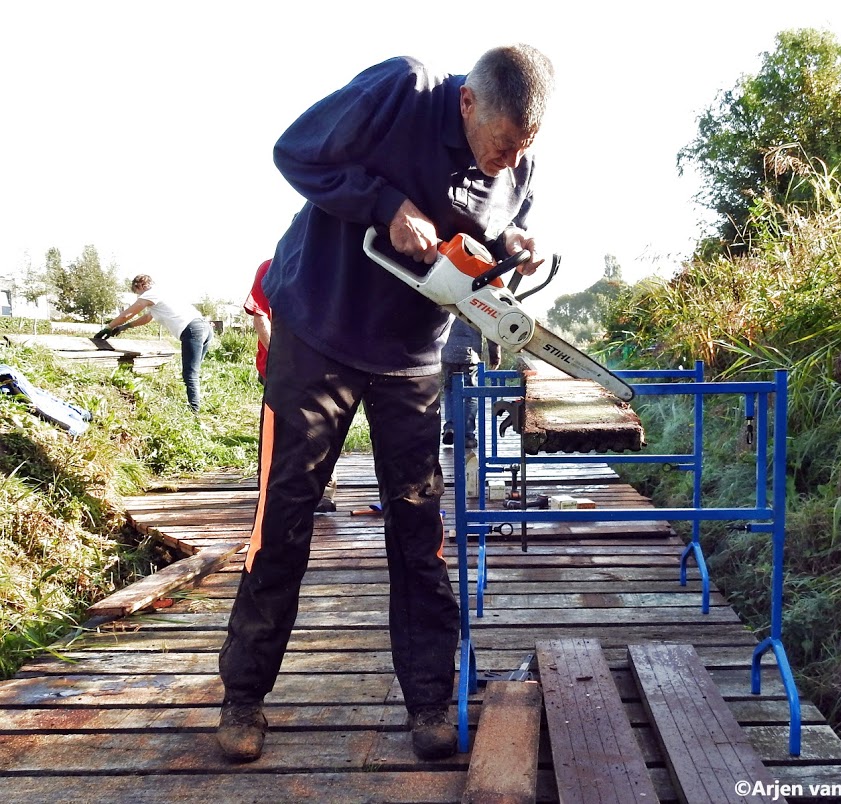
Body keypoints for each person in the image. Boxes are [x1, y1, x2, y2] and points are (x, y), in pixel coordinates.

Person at [215, 44, 554, 764]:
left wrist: (517, 246)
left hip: (411, 353)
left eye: (520, 150)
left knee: (418, 525)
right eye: (499, 146)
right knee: (284, 517)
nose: (508, 162)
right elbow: (294, 152)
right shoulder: (403, 90)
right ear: (467, 102)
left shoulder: (518, 164)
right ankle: (243, 695)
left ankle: (429, 701)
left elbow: (489, 250)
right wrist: (385, 205)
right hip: (319, 330)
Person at [245, 259, 338, 513]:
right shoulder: (271, 266)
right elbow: (260, 316)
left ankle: (322, 491)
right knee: (278, 432)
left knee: (322, 430)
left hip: (322, 368)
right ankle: (270, 488)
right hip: (279, 369)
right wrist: (283, 358)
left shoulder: (331, 266)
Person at [98, 275, 213, 412]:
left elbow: (127, 314)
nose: (138, 296)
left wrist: (109, 327)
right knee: (194, 371)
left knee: (190, 373)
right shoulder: (163, 294)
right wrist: (124, 327)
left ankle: (194, 412)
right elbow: (147, 317)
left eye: (137, 292)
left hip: (192, 330)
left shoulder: (150, 294)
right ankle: (197, 405)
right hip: (205, 328)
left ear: (141, 286)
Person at [441, 317, 500, 450]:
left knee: (449, 389)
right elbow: (490, 325)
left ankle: (450, 426)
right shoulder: (478, 303)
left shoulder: (448, 302)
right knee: (471, 393)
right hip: (470, 354)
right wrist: (495, 356)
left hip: (447, 351)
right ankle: (467, 436)